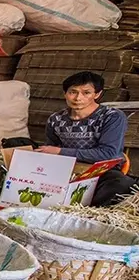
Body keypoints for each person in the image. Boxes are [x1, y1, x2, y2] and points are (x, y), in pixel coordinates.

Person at [40, 70, 136, 206]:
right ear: (65, 94)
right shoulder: (56, 119)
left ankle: (87, 216)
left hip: (101, 171)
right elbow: (51, 150)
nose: (78, 98)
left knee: (121, 184)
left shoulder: (111, 117)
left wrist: (61, 152)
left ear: (97, 94)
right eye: (73, 92)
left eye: (86, 93)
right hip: (68, 169)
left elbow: (109, 154)